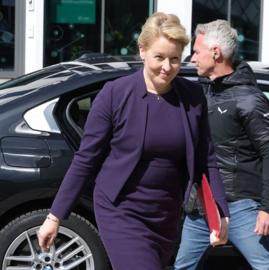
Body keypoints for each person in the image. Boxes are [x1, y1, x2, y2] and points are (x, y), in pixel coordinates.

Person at [36, 12, 229, 270]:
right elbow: (86, 159)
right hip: (120, 210)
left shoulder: (192, 95)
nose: (167, 67)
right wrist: (55, 215)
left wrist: (221, 212)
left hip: (166, 214)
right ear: (142, 51)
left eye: (174, 59)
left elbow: (207, 158)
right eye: (159, 57)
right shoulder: (114, 95)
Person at [174, 20, 269, 270]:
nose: (192, 59)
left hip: (239, 206)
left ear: (215, 52)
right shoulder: (199, 90)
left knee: (267, 267)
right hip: (201, 203)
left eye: (196, 51)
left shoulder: (248, 99)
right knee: (183, 268)